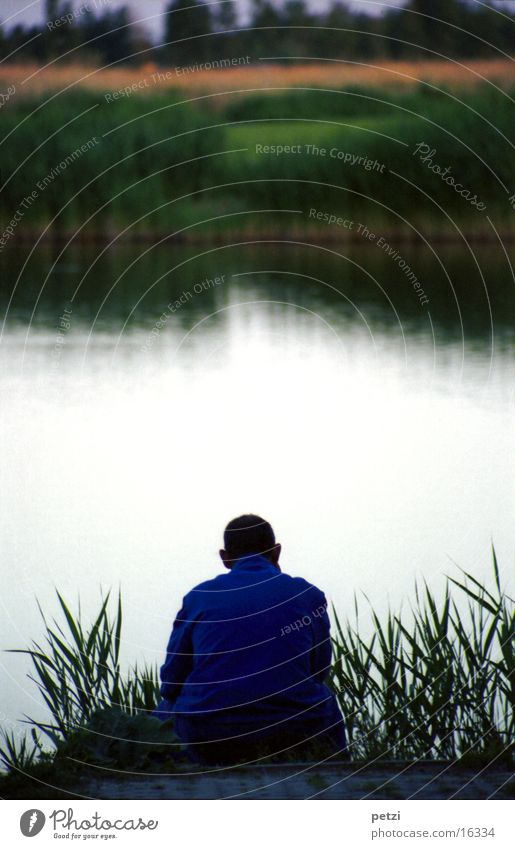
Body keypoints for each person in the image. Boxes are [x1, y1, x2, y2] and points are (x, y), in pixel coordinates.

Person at [153, 514, 347, 763]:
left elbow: (171, 683)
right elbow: (319, 671)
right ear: (276, 552)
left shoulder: (199, 597)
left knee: (164, 712)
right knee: (325, 702)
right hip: (295, 726)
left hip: (210, 730)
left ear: (225, 558)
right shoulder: (307, 595)